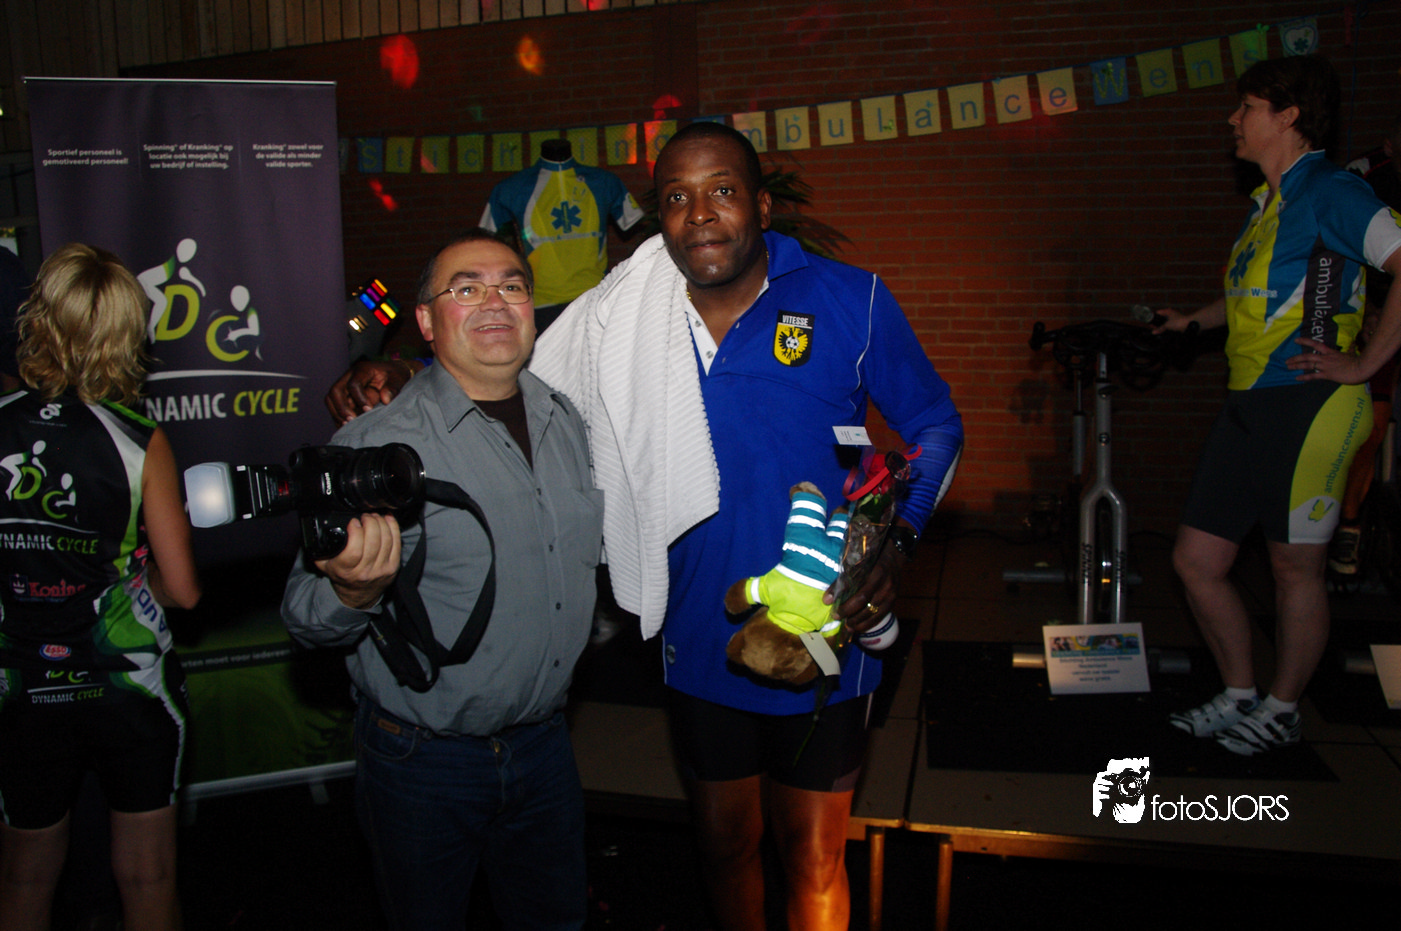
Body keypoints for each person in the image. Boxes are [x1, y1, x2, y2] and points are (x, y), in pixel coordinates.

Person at [327, 122, 964, 930]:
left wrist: (897, 542)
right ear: (656, 217)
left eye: (722, 190)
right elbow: (524, 365)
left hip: (827, 618)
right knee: (724, 845)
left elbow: (935, 425)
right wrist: (401, 368)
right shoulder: (626, 315)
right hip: (695, 628)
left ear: (761, 205)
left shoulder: (850, 299)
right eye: (675, 197)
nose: (700, 213)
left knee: (812, 857)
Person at [282, 230, 603, 931]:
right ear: (426, 321)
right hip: (423, 762)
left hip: (546, 748)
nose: (494, 301)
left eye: (511, 285)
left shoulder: (567, 421)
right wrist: (352, 593)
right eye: (466, 287)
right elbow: (303, 613)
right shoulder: (375, 444)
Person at [1155, 56, 1401, 756]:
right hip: (1248, 403)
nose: (1233, 118)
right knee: (1196, 561)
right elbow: (1255, 299)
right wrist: (1193, 321)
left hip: (1309, 404)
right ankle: (1239, 694)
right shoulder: (1269, 203)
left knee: (1294, 569)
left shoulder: (1331, 189)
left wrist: (1366, 364)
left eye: (1247, 107)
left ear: (1289, 116)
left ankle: (1283, 708)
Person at [0, 243, 201, 931]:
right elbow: (184, 590)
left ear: (38, 317)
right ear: (128, 333)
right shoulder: (140, 440)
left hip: (21, 684)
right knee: (147, 877)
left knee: (23, 879)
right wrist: (133, 579)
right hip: (126, 686)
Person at [1329, 112, 1401, 575]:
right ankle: (1349, 521)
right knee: (1370, 424)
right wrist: (1372, 308)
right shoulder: (1363, 181)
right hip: (1380, 310)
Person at [481, 138, 644, 332]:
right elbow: (484, 241)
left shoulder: (604, 182)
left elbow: (635, 225)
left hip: (595, 296)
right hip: (541, 302)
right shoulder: (512, 187)